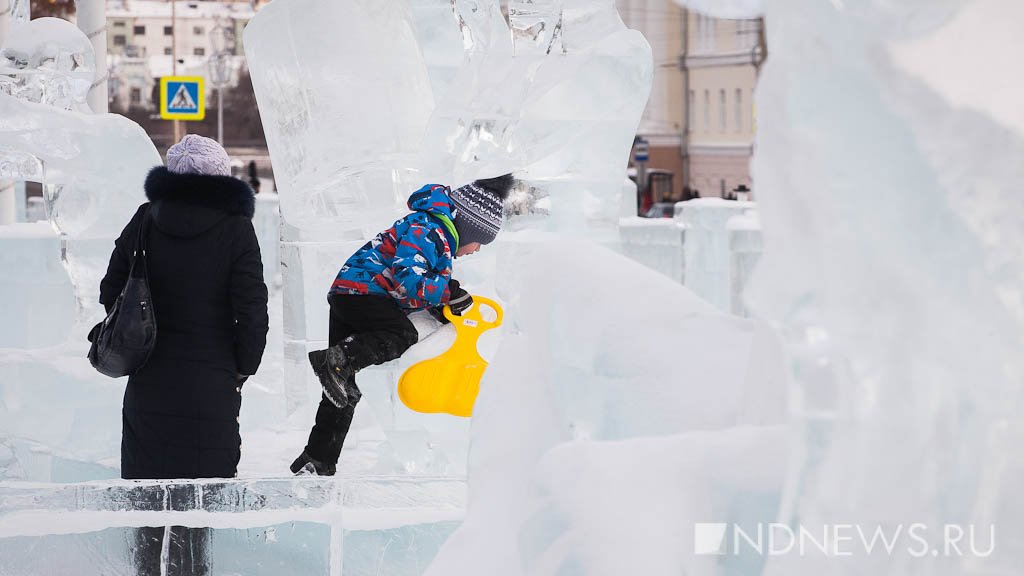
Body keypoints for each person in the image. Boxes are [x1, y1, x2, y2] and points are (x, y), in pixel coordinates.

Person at [99, 134, 270, 575]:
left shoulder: (145, 219)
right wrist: (242, 367)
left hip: (150, 378)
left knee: (148, 510)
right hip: (211, 384)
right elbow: (251, 308)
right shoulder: (236, 229)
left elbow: (109, 290)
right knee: (196, 514)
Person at [290, 175, 514, 476]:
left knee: (343, 387)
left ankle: (317, 458)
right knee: (402, 334)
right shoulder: (429, 229)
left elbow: (415, 283)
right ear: (469, 227)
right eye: (480, 241)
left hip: (351, 293)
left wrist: (441, 308)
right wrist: (448, 291)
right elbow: (410, 280)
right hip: (363, 293)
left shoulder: (433, 231)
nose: (477, 250)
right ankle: (336, 362)